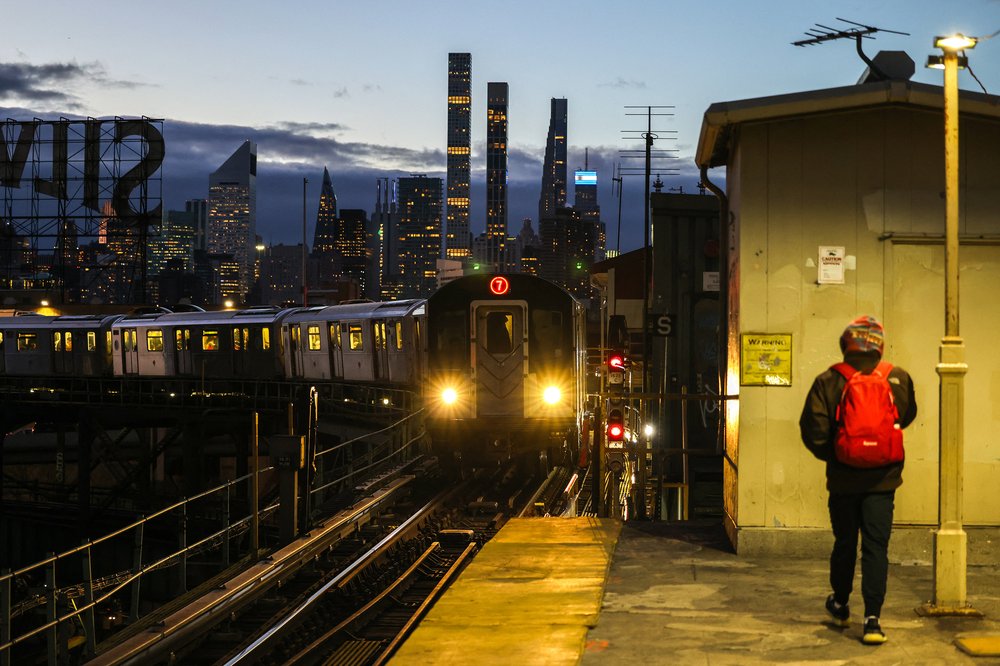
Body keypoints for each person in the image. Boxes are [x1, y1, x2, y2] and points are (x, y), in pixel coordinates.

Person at [799, 315, 917, 645]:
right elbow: (906, 417)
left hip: (843, 480)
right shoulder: (897, 377)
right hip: (884, 480)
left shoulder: (828, 380)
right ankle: (873, 620)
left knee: (845, 543)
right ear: (879, 345)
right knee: (876, 548)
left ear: (845, 345)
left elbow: (814, 430)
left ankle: (839, 604)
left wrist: (839, 456)